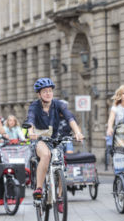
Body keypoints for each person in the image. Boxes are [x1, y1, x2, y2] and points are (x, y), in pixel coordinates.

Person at [26, 78, 84, 211]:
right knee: (45, 155)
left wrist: (77, 132)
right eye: (45, 91)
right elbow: (30, 120)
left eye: (50, 91)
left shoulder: (58, 104)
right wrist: (31, 131)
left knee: (61, 164)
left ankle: (59, 197)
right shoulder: (35, 106)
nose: (48, 93)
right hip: (40, 139)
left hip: (55, 139)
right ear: (39, 94)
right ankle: (39, 189)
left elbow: (70, 118)